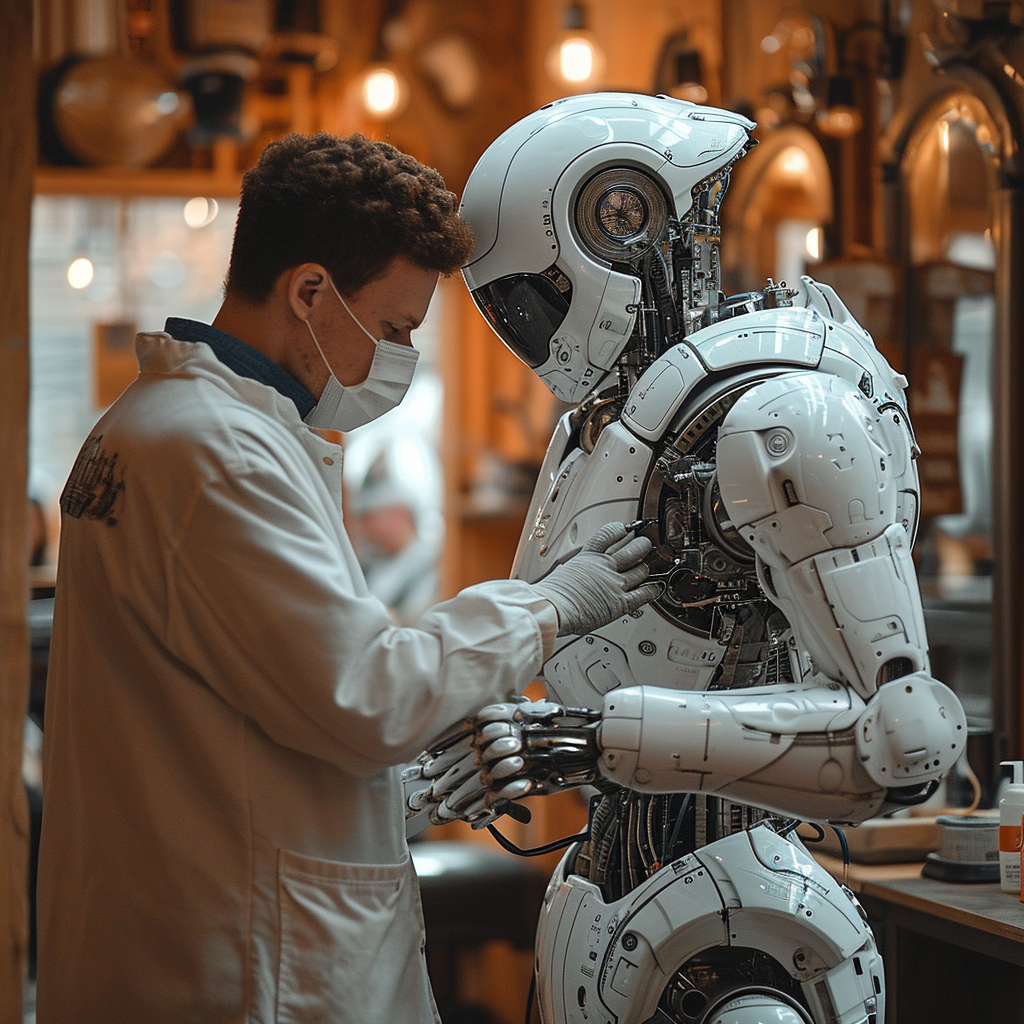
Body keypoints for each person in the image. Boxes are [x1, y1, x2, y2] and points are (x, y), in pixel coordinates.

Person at [35, 132, 660, 1024]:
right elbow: (366, 691)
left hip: (180, 925)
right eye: (397, 328)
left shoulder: (164, 425)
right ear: (311, 292)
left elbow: (248, 701)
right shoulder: (221, 455)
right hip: (241, 968)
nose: (400, 356)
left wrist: (405, 780)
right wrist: (553, 604)